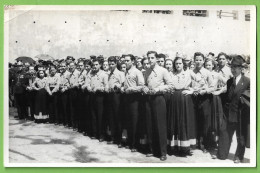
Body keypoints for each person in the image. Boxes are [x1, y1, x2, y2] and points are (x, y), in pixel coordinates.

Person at [216, 55, 250, 163]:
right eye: (232, 67)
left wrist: (242, 98)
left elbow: (250, 95)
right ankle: (223, 152)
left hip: (241, 114)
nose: (233, 69)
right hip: (228, 113)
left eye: (236, 67)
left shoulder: (247, 81)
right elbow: (226, 97)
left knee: (241, 136)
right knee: (224, 133)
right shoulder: (229, 81)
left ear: (241, 69)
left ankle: (239, 156)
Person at [143, 51, 173, 161]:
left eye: (152, 58)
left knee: (161, 126)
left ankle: (163, 152)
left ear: (156, 59)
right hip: (149, 100)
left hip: (159, 99)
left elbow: (170, 85)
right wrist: (145, 88)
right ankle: (152, 150)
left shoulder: (163, 71)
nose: (150, 60)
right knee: (150, 125)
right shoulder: (146, 71)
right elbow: (145, 84)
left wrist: (158, 89)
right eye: (148, 58)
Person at [167, 56, 196, 157]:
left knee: (184, 121)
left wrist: (192, 90)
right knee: (175, 121)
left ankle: (185, 147)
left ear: (183, 64)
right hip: (174, 99)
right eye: (176, 64)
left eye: (180, 63)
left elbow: (201, 81)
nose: (178, 65)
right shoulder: (171, 73)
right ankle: (175, 146)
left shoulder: (189, 72)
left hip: (185, 99)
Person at [191, 52, 214, 153]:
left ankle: (204, 144)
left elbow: (212, 87)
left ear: (203, 61)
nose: (198, 62)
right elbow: (188, 84)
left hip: (205, 99)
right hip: (194, 99)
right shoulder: (191, 72)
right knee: (195, 120)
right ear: (194, 60)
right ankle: (196, 142)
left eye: (200, 60)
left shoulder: (207, 73)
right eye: (196, 60)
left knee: (205, 121)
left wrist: (205, 91)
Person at [123, 54, 145, 152]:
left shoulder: (137, 72)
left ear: (133, 61)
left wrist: (132, 89)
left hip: (135, 99)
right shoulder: (126, 72)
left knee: (135, 122)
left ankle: (135, 144)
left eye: (127, 61)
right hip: (127, 98)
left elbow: (141, 86)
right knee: (128, 121)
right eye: (125, 61)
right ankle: (130, 142)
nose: (125, 62)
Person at [87, 58, 109, 142]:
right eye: (93, 65)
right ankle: (94, 133)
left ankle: (101, 135)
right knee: (93, 115)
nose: (95, 66)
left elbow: (106, 87)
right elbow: (87, 83)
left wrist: (99, 88)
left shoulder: (104, 74)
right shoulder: (90, 74)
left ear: (100, 65)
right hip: (92, 96)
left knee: (101, 116)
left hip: (100, 97)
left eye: (96, 65)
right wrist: (88, 87)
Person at [107, 56, 125, 147]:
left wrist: (117, 85)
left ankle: (120, 140)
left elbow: (123, 84)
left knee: (118, 117)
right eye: (109, 64)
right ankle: (113, 137)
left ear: (116, 63)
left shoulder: (120, 73)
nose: (111, 65)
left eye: (112, 64)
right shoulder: (109, 73)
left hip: (117, 96)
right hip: (110, 96)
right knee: (112, 117)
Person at [67, 62, 80, 130]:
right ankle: (73, 124)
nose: (71, 67)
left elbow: (79, 82)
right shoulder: (69, 74)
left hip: (76, 91)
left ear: (75, 66)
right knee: (72, 108)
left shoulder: (78, 73)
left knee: (76, 108)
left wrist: (74, 85)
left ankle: (77, 125)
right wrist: (69, 85)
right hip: (71, 92)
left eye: (72, 66)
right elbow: (68, 82)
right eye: (70, 66)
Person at [57, 61, 70, 127]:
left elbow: (69, 83)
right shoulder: (60, 74)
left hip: (66, 92)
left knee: (65, 107)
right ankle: (63, 121)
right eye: (61, 66)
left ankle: (67, 122)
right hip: (60, 90)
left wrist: (64, 88)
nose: (63, 67)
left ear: (66, 67)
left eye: (64, 66)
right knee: (61, 106)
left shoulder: (68, 74)